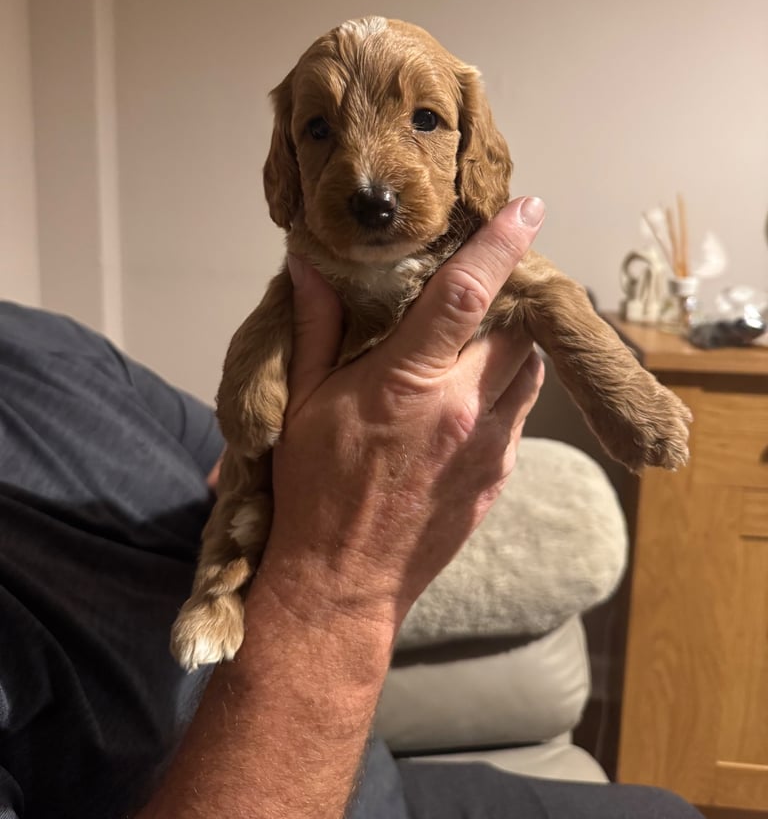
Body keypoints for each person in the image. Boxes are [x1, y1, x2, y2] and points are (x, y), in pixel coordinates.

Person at [0, 198, 703, 819]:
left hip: (362, 780)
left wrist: (365, 417)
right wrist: (342, 583)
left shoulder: (37, 348)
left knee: (671, 811)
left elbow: (239, 459)